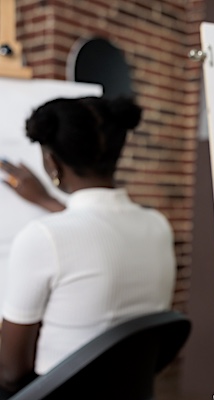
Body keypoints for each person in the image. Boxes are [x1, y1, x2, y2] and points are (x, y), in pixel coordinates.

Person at [0, 96, 176, 397]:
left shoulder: (42, 237)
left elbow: (10, 372)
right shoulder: (157, 225)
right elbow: (96, 234)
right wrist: (46, 202)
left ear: (51, 163)